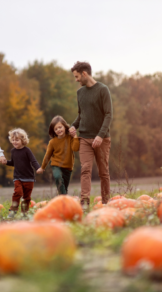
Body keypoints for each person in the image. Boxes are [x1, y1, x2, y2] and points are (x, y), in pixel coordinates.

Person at [68, 61, 113, 210]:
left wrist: (100, 136)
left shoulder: (103, 90)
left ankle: (106, 202)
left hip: (102, 139)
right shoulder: (80, 93)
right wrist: (73, 126)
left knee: (103, 172)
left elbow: (108, 114)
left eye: (77, 76)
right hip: (84, 138)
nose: (76, 80)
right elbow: (81, 115)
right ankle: (85, 202)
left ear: (84, 73)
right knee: (85, 169)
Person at [36, 116, 79, 195]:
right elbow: (47, 156)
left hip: (68, 167)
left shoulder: (70, 138)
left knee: (64, 188)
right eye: (56, 129)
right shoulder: (52, 142)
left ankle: (62, 201)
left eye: (60, 127)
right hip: (56, 165)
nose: (58, 130)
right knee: (57, 177)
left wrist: (75, 136)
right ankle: (64, 198)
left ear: (65, 127)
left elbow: (75, 148)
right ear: (53, 131)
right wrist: (42, 167)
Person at [5, 128, 40, 218]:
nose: (14, 142)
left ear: (23, 140)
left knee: (27, 197)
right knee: (18, 192)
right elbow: (13, 163)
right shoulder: (13, 151)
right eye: (13, 140)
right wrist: (6, 162)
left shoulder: (27, 150)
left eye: (17, 140)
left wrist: (38, 168)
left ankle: (24, 213)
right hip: (18, 177)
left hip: (29, 178)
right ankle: (13, 210)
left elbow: (33, 161)